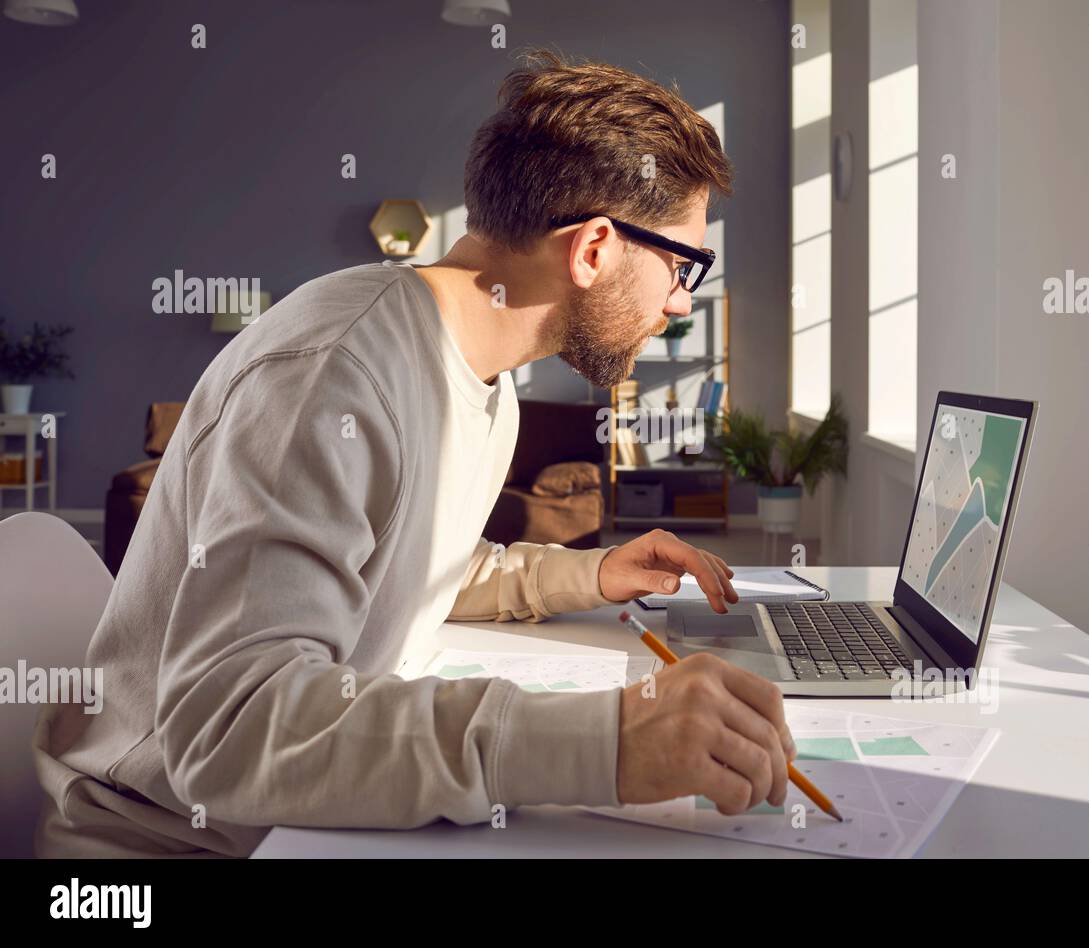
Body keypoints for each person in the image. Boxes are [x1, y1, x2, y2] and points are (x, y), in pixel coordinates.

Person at [33, 49, 795, 858]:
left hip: (285, 824)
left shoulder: (481, 375)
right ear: (595, 249)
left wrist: (589, 574)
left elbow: (402, 567)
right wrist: (606, 740)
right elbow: (228, 730)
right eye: (683, 266)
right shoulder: (332, 376)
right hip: (158, 844)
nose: (680, 303)